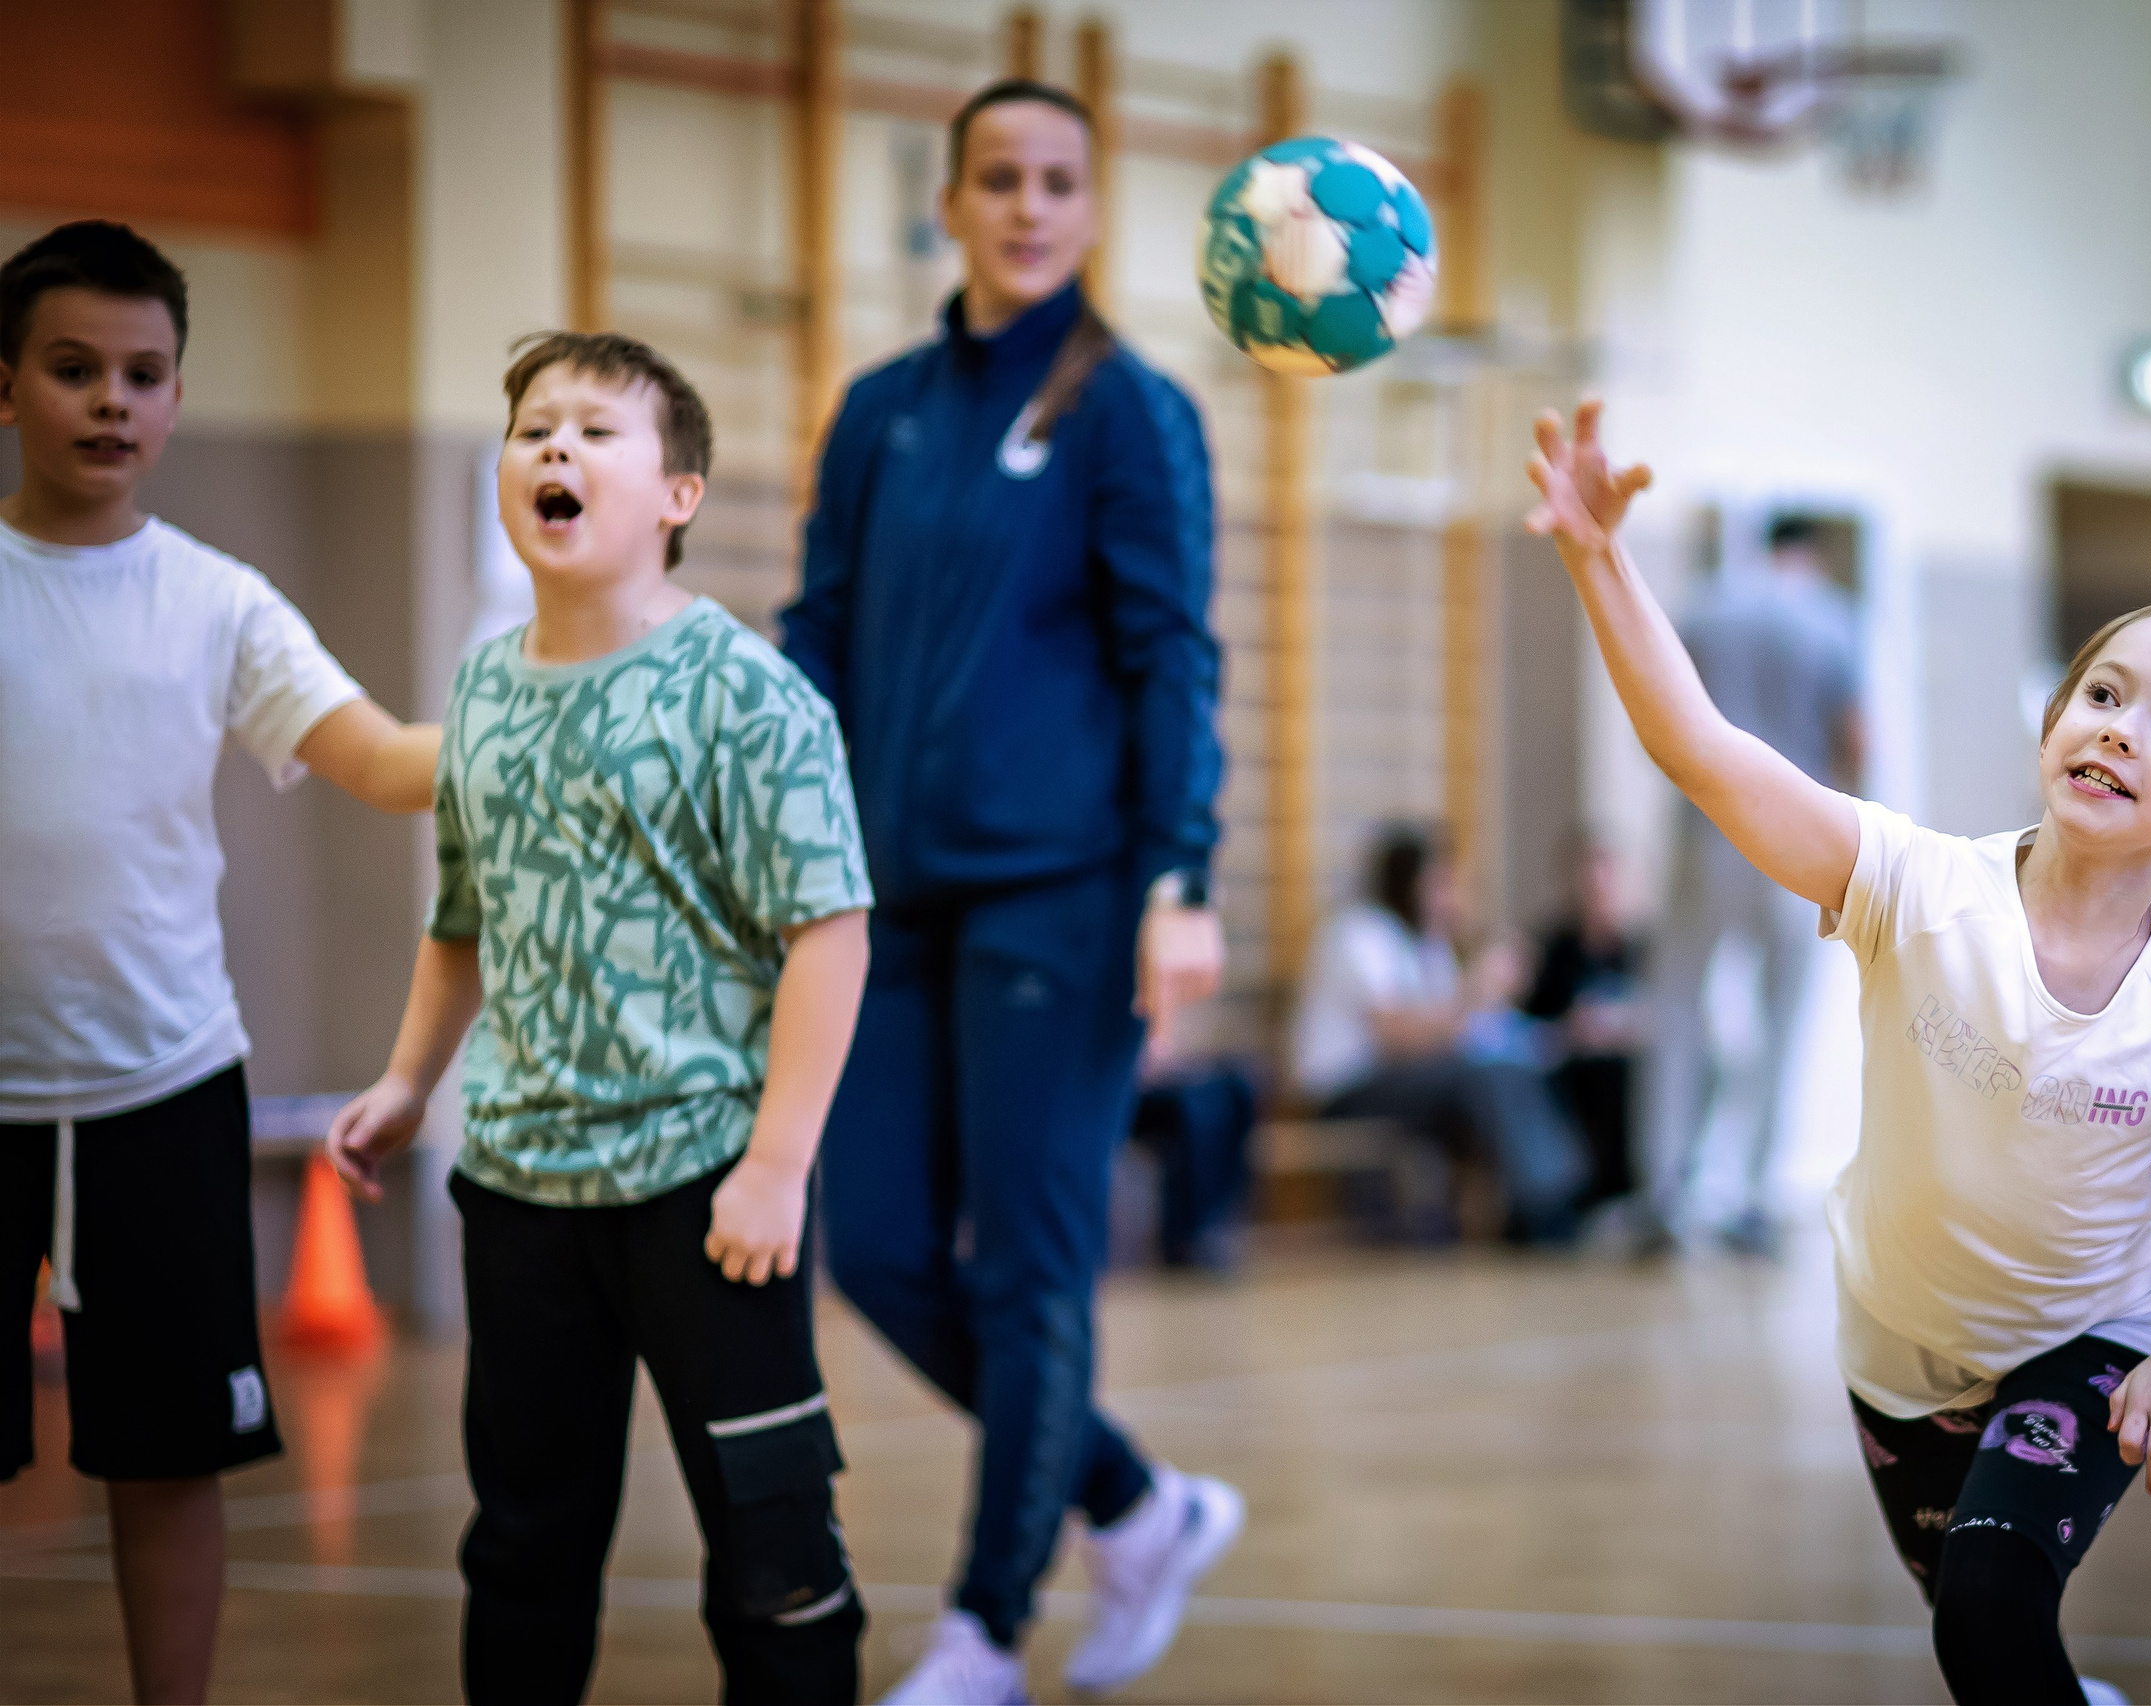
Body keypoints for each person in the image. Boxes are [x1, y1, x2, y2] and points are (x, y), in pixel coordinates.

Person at [1528, 397, 2151, 1704]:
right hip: (1896, 1351)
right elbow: (1701, 751)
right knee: (1997, 1656)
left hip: (2092, 1344)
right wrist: (1599, 557)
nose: (2117, 727)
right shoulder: (1911, 883)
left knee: (1984, 1613)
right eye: (2104, 693)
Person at [325, 333, 874, 1703]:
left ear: (677, 495)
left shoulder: (747, 694)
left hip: (707, 1191)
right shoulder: (483, 688)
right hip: (519, 1190)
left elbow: (832, 934)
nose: (555, 449)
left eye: (595, 431)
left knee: (773, 1547)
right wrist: (408, 1081)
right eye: (533, 430)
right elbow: (467, 919)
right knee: (523, 1545)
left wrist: (777, 1166)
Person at [777, 80, 1239, 1706]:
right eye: (999, 178)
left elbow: (1173, 652)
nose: (1029, 205)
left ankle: (985, 1625)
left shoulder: (1129, 410)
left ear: (1092, 210)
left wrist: (1180, 872)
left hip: (1071, 900)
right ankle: (1137, 1503)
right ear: (952, 202)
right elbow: (818, 634)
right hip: (890, 905)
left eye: (1058, 181)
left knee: (1034, 1272)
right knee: (884, 1253)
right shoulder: (885, 407)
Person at [0, 221, 439, 1706]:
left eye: (143, 372)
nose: (112, 401)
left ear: (180, 399)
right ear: (7, 386)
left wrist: (541, 724)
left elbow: (377, 755)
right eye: (74, 370)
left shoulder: (221, 598)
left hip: (166, 1083)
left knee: (169, 1456)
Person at [1648, 512, 1861, 1256]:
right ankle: (1758, 1197)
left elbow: (1664, 716)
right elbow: (1855, 738)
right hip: (1794, 844)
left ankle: (1668, 1192)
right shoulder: (1833, 620)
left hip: (1705, 837)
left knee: (1676, 1011)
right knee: (1782, 1023)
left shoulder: (1705, 607)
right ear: (1816, 550)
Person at [1293, 825, 1590, 1244]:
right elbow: (1396, 1038)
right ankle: (1542, 1207)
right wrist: (1478, 991)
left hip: (1413, 1085)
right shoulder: (1358, 932)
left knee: (1519, 1066)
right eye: (1441, 882)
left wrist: (1548, 1034)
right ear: (1409, 882)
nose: (1450, 896)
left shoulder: (1428, 947)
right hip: (1347, 1088)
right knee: (1486, 1075)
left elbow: (1463, 1032)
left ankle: (1553, 1201)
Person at [1520, 830, 1647, 1214]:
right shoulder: (1550, 951)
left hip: (1626, 1062)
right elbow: (1525, 1028)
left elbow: (1663, 1017)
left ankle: (1633, 1193)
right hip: (1566, 1066)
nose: (1598, 886)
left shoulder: (1639, 949)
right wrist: (1569, 1030)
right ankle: (1578, 1197)